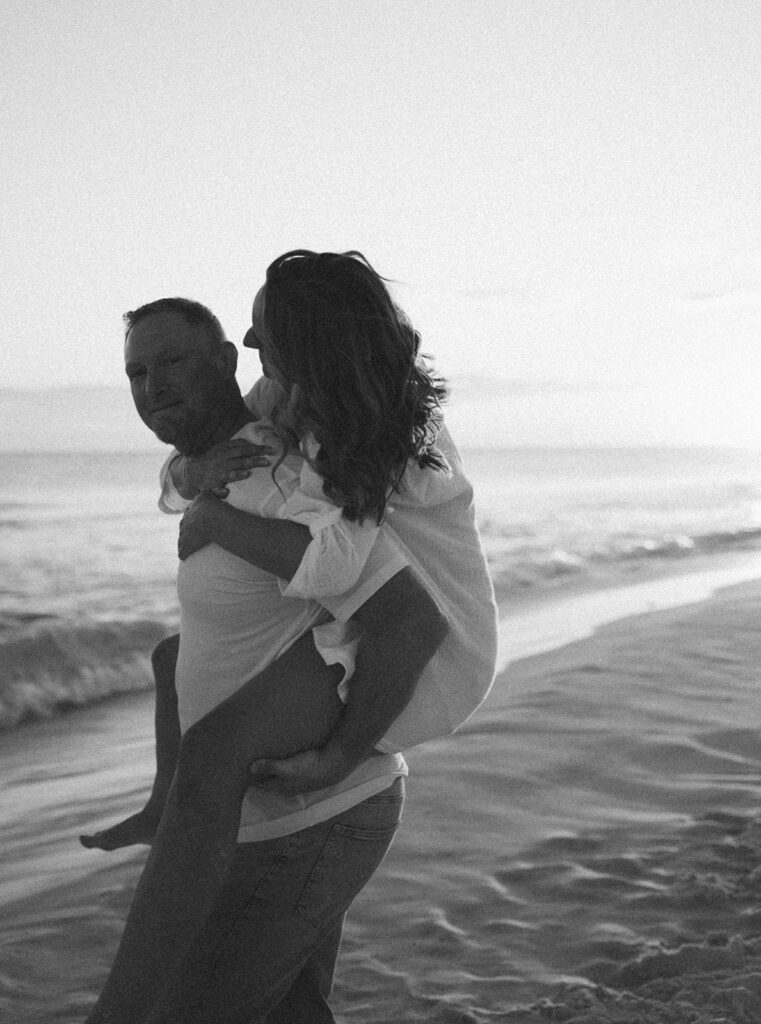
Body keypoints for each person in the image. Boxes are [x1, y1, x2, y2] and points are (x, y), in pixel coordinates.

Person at [83, 297, 449, 1024]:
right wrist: (192, 482)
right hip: (272, 822)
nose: (152, 384)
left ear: (226, 361)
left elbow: (407, 614)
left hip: (308, 821)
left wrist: (341, 755)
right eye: (136, 371)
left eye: (173, 362)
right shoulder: (216, 468)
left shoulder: (277, 472)